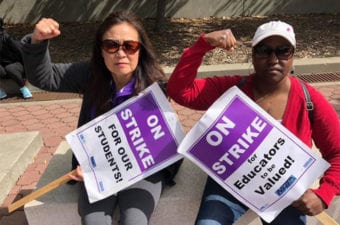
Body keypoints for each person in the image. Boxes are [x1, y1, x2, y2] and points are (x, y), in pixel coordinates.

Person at [166, 21, 340, 225]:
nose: (273, 59)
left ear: (292, 56)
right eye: (264, 50)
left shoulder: (309, 99)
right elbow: (181, 91)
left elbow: (337, 152)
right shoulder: (234, 89)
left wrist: (324, 194)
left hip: (283, 191)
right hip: (229, 185)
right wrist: (202, 45)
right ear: (253, 55)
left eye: (283, 51)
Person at [21, 11, 182, 225]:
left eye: (130, 46)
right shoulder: (90, 74)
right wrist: (38, 41)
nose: (121, 53)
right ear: (101, 51)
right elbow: (44, 77)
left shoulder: (155, 87)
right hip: (97, 168)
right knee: (93, 221)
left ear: (140, 50)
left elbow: (166, 145)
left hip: (142, 171)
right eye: (111, 45)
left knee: (135, 220)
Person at [0, 17, 32, 99]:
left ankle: (24, 88)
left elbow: (21, 51)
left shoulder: (8, 38)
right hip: (2, 69)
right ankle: (1, 92)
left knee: (10, 68)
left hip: (15, 65)